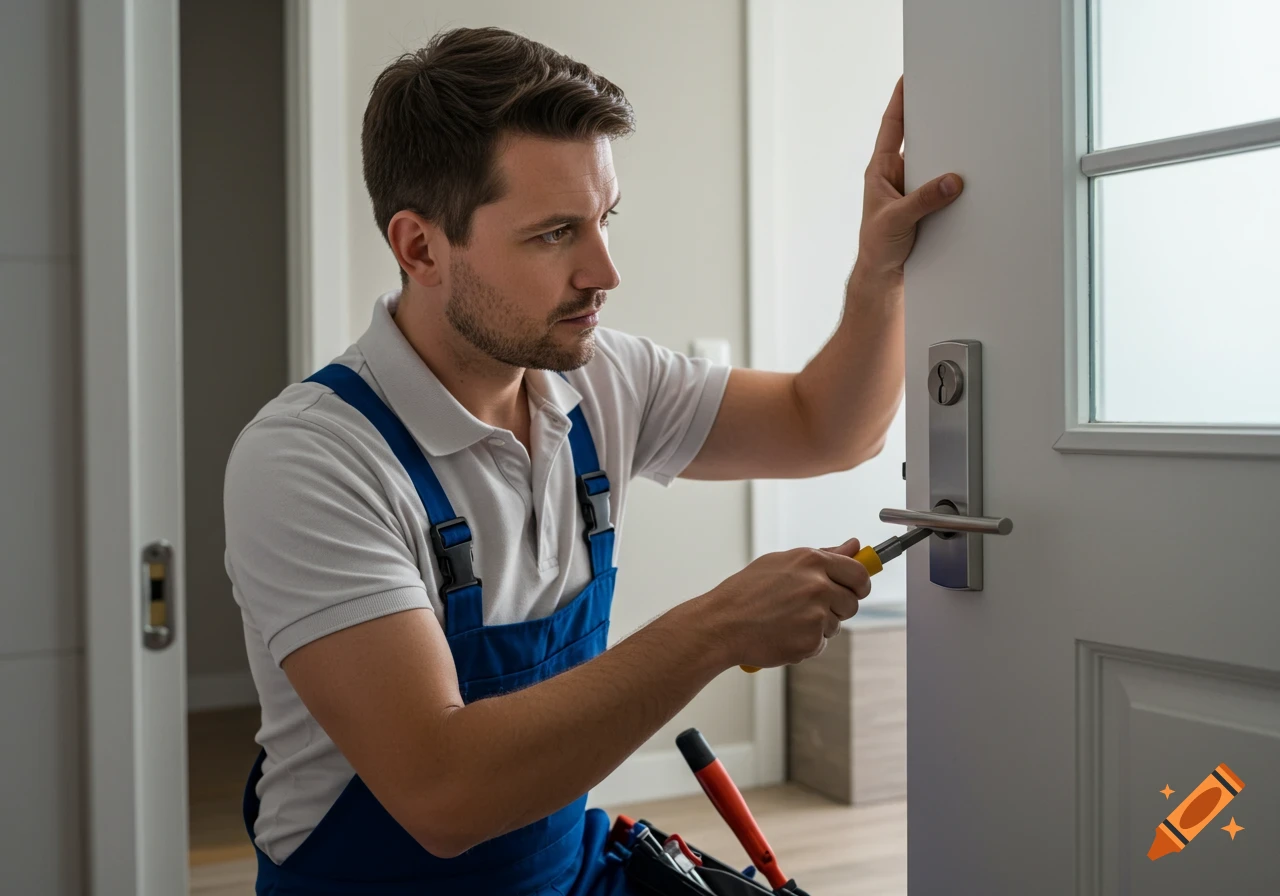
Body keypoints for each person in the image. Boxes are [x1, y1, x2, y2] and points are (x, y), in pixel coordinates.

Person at [224, 25, 962, 896]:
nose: (604, 270)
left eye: (605, 218)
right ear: (421, 247)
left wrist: (880, 272)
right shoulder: (311, 460)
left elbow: (827, 428)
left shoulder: (602, 378)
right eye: (553, 235)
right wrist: (718, 627)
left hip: (567, 870)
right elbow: (444, 792)